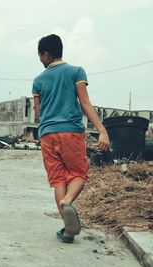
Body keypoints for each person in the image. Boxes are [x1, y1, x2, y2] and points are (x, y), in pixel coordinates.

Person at [32, 34, 110, 243]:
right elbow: (85, 103)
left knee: (58, 179)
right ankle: (67, 202)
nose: (40, 60)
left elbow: (38, 113)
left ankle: (67, 232)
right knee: (78, 172)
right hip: (71, 131)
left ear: (46, 54)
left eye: (40, 56)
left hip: (47, 134)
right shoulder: (76, 71)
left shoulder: (38, 80)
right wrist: (101, 129)